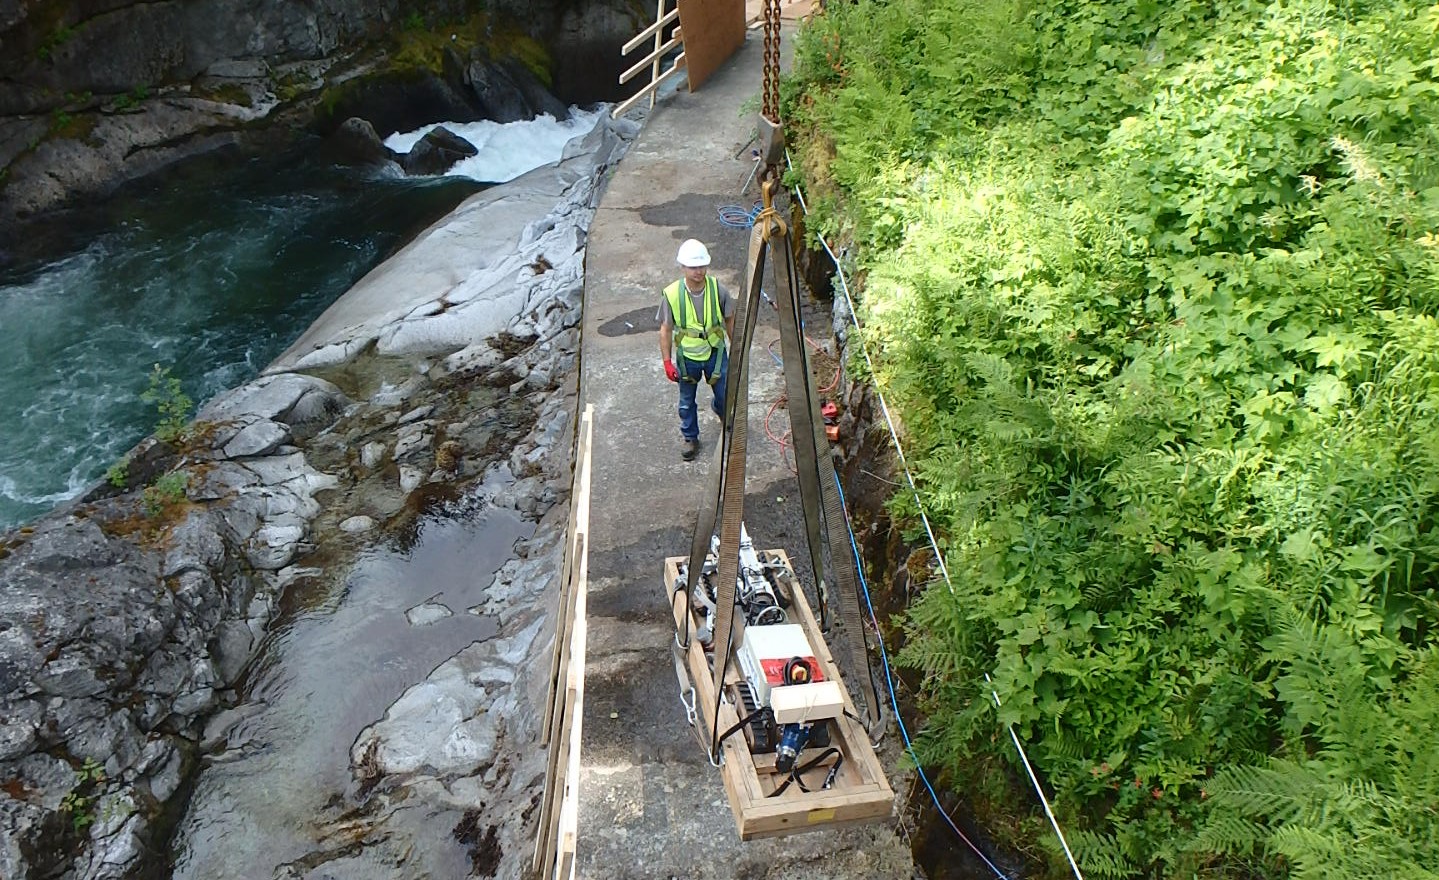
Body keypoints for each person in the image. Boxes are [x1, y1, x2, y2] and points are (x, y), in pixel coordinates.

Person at [659, 238, 735, 460]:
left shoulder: (718, 290)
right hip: (687, 358)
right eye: (693, 267)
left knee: (725, 395)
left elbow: (730, 320)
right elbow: (665, 329)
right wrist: (666, 361)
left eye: (702, 266)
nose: (699, 271)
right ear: (683, 267)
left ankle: (722, 413)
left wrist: (737, 349)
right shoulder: (672, 294)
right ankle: (690, 437)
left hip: (715, 353)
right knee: (686, 401)